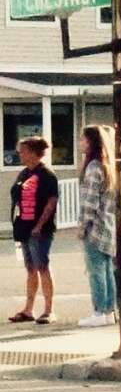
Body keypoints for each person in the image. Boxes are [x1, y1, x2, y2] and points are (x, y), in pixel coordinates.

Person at [8, 137, 58, 325]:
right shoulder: (24, 173)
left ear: (31, 152)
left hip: (40, 230)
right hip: (23, 227)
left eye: (22, 151)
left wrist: (39, 225)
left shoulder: (47, 175)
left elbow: (51, 201)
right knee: (30, 268)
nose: (19, 154)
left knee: (42, 266)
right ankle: (28, 309)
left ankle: (49, 309)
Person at [77, 124, 117, 327]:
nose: (80, 143)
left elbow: (89, 201)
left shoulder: (93, 167)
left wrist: (82, 226)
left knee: (95, 271)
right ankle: (110, 310)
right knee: (108, 269)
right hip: (109, 225)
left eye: (83, 139)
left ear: (91, 142)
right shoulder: (107, 166)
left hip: (95, 227)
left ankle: (99, 310)